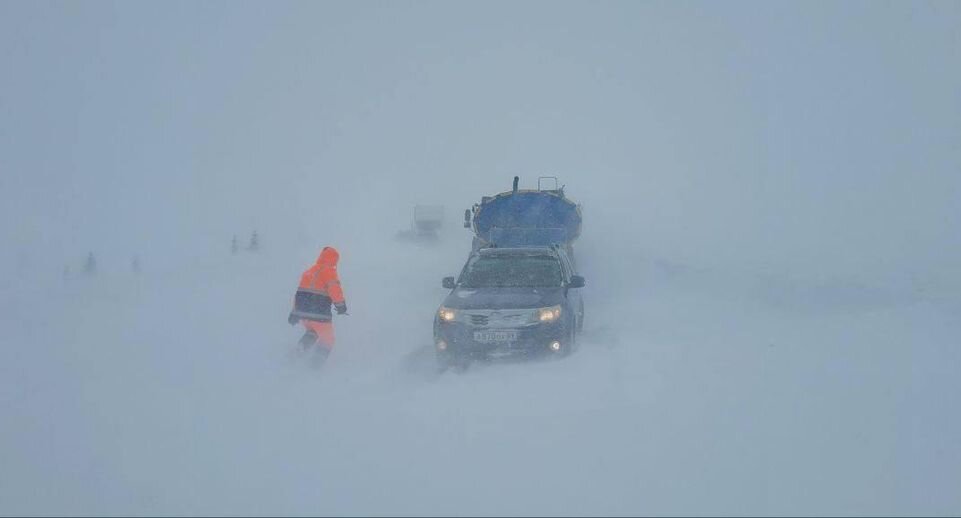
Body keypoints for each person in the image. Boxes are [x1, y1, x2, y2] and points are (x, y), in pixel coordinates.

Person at [288, 247, 347, 365]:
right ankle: (315, 364)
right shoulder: (329, 271)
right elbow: (334, 289)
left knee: (312, 332)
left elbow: (299, 293)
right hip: (319, 312)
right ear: (334, 260)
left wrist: (294, 312)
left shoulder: (309, 272)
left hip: (303, 312)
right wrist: (340, 305)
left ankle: (297, 354)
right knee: (328, 339)